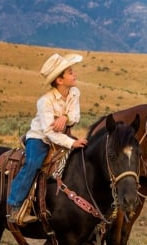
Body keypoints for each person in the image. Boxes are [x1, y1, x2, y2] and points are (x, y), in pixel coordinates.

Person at [7, 53, 88, 224]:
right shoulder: (45, 101)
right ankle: (15, 205)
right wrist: (72, 142)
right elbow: (49, 133)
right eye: (70, 72)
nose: (75, 75)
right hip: (40, 138)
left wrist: (64, 117)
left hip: (63, 135)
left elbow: (76, 116)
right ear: (59, 80)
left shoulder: (74, 92)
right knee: (33, 163)